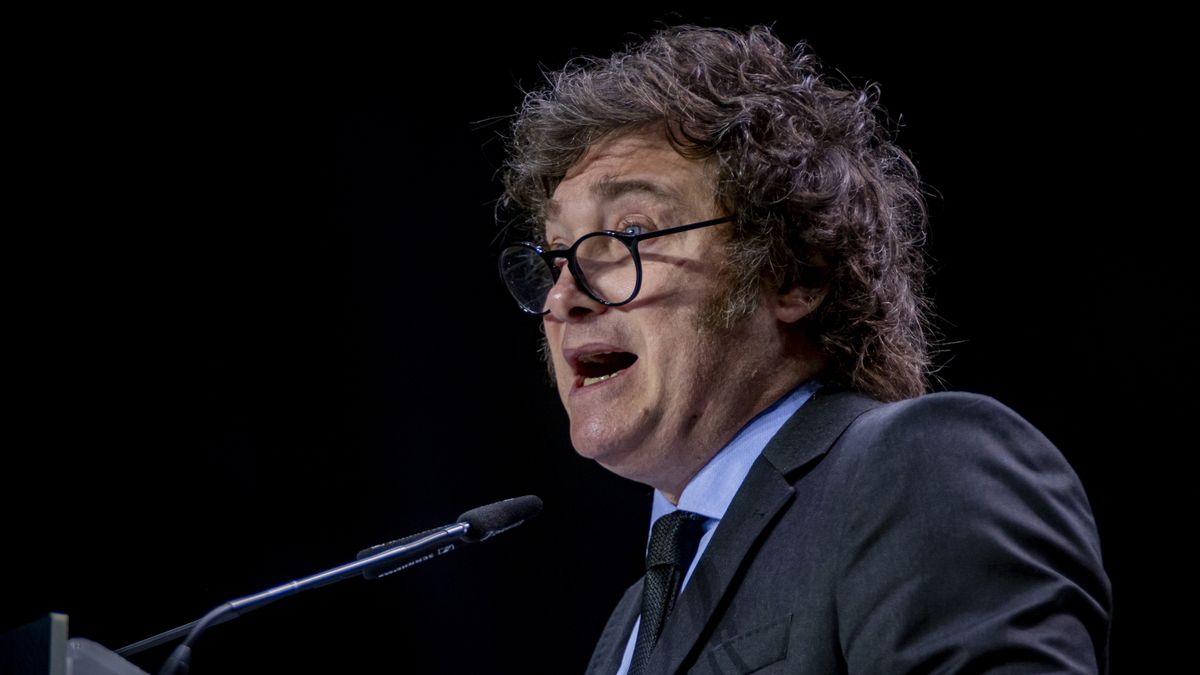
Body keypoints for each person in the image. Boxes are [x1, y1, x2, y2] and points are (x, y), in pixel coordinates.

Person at [495, 26, 1111, 674]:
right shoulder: (631, 624)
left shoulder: (923, 470)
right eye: (557, 250)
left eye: (629, 232)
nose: (565, 296)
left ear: (796, 272)